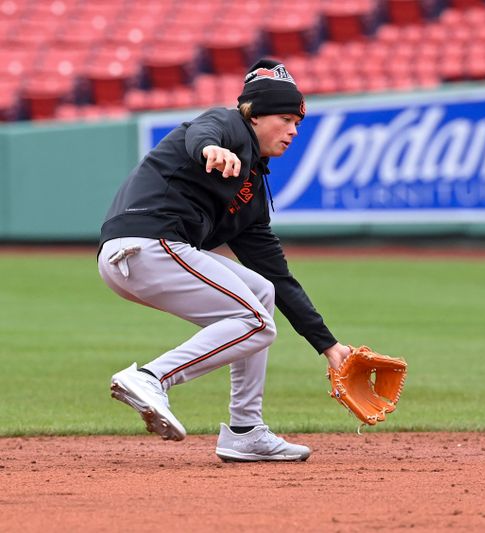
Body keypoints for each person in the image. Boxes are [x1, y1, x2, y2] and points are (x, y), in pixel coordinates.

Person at [97, 59, 351, 462]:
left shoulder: (249, 196)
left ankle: (246, 430)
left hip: (145, 254)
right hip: (146, 244)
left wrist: (329, 346)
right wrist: (211, 148)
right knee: (255, 323)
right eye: (285, 119)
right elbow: (204, 130)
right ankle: (150, 378)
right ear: (254, 114)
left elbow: (280, 279)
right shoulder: (229, 125)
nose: (293, 131)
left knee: (261, 292)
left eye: (297, 122)